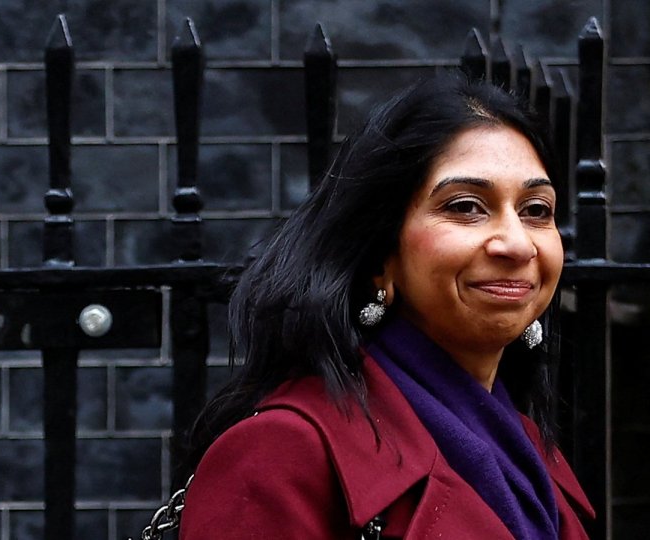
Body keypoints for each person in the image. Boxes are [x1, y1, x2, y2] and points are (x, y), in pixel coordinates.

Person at [178, 70, 595, 539]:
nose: (517, 245)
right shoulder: (282, 455)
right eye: (465, 206)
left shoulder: (531, 448)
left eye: (536, 210)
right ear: (381, 257)